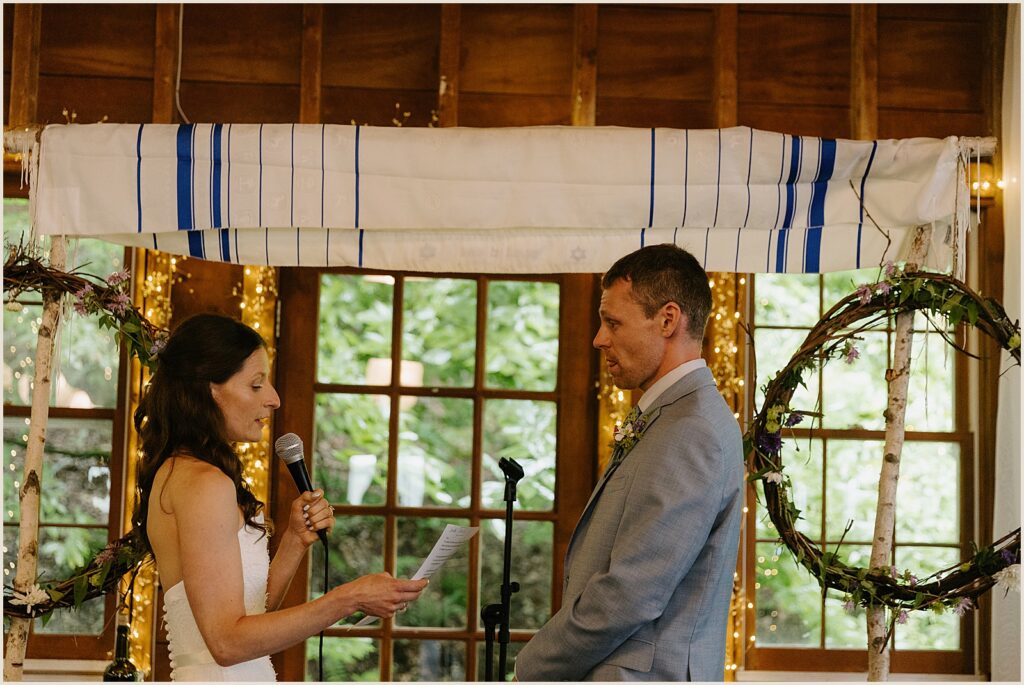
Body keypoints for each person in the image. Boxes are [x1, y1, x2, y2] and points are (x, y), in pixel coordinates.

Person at [132, 313, 427, 681]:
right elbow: (226, 643)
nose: (273, 399)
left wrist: (293, 541)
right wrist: (347, 598)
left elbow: (250, 616)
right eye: (256, 385)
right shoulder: (204, 482)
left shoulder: (187, 472)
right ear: (209, 390)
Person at [515, 244, 744, 681]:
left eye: (613, 322)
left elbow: (630, 594)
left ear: (668, 319)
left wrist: (531, 665)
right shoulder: (670, 417)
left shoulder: (692, 429)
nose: (599, 338)